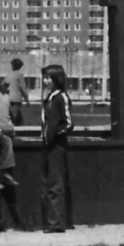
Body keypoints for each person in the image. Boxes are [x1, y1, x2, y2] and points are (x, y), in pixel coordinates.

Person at [40, 63, 72, 233]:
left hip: (57, 146)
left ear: (56, 79)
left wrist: (54, 135)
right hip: (47, 145)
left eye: (48, 78)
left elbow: (69, 123)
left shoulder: (61, 97)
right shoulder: (49, 97)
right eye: (44, 77)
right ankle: (50, 221)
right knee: (47, 184)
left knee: (56, 185)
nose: (45, 81)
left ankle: (57, 223)